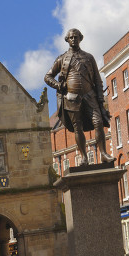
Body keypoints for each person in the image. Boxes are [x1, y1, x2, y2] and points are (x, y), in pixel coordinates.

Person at [44, 28, 114, 165]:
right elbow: (48, 77)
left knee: (98, 123)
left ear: (80, 38)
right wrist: (59, 86)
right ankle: (83, 157)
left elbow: (97, 80)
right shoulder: (62, 59)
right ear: (67, 40)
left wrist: (100, 99)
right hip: (72, 98)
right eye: (71, 37)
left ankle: (104, 154)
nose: (73, 40)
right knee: (78, 128)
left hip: (90, 96)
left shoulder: (89, 57)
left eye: (76, 37)